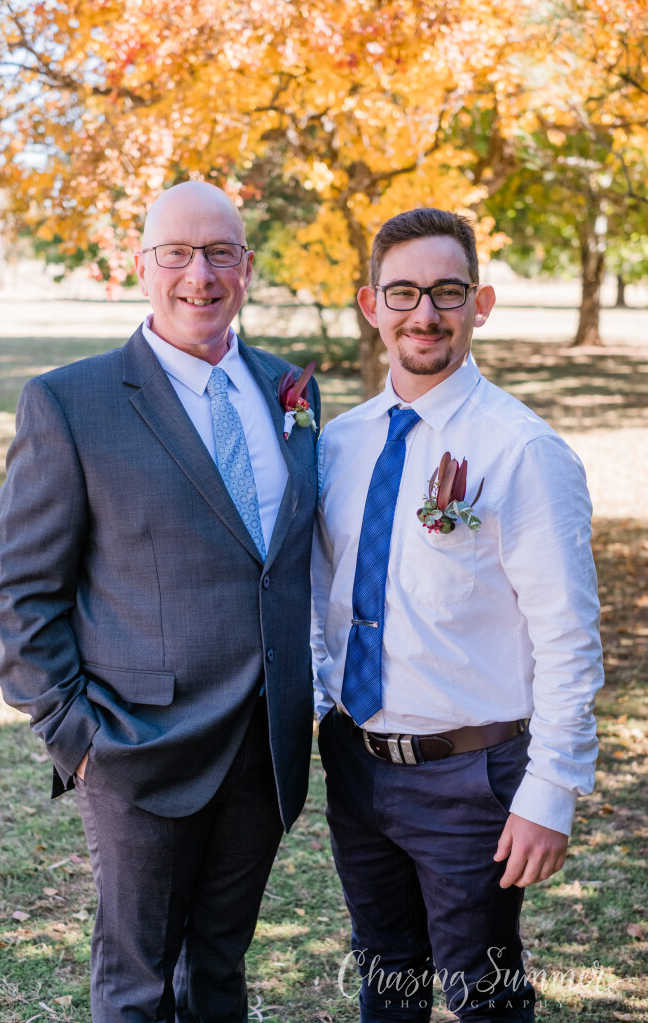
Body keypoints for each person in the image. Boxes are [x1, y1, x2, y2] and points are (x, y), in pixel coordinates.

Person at [0, 180, 320, 1023]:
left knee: (220, 969)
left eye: (219, 253)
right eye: (175, 253)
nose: (198, 275)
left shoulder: (290, 390)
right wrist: (75, 737)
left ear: (247, 266)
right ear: (140, 267)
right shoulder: (71, 402)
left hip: (265, 745)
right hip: (137, 746)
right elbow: (22, 592)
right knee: (137, 983)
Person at [311, 208, 603, 1022]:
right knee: (386, 974)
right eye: (402, 293)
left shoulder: (521, 450)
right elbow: (321, 593)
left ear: (480, 304)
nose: (425, 313)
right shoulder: (339, 444)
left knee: (485, 993)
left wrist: (551, 789)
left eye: (446, 291)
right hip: (355, 759)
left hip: (470, 776)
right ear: (371, 305)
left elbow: (567, 635)